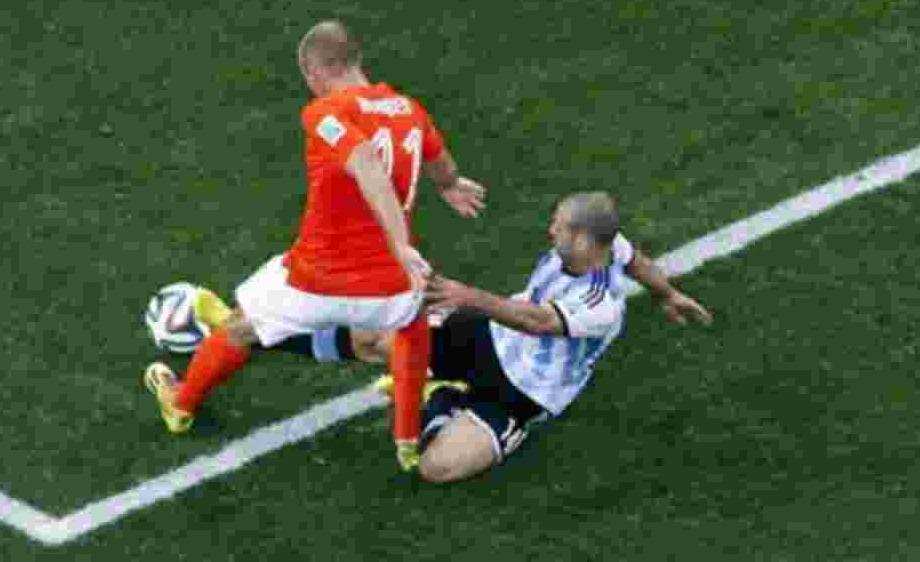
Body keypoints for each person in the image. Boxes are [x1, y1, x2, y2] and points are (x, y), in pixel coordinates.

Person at [143, 19, 486, 471]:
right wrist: (450, 186)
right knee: (410, 327)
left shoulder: (323, 113)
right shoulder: (408, 110)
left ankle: (181, 406)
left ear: (313, 72)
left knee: (239, 327)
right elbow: (440, 163)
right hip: (390, 286)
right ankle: (406, 441)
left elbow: (365, 162)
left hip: (316, 280)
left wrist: (399, 241)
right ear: (356, 60)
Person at [208, 191, 709, 482]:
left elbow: (535, 321)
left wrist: (466, 295)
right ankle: (254, 334)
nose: (548, 230)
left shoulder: (602, 306)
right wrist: (667, 293)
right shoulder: (602, 244)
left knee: (436, 468)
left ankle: (442, 395)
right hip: (487, 336)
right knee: (375, 340)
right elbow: (635, 258)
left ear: (582, 239)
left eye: (557, 227)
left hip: (521, 392)